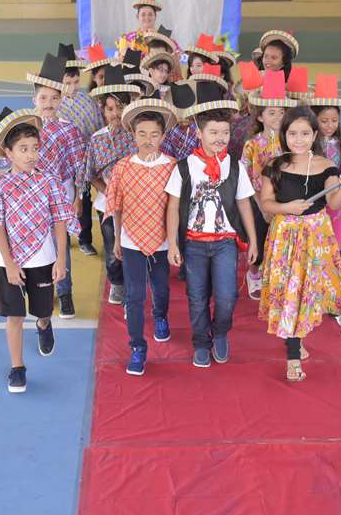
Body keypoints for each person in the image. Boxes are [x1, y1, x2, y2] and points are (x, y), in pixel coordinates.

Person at [0, 109, 77, 394]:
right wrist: (9, 263)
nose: (31, 155)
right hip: (10, 261)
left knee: (43, 310)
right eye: (23, 149)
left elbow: (60, 221)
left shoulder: (48, 182)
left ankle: (44, 325)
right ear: (8, 153)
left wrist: (61, 258)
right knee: (14, 316)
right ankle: (18, 367)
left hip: (43, 259)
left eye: (35, 148)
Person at [257, 107, 341, 382]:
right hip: (284, 238)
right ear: (284, 135)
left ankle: (294, 337)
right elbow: (266, 203)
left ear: (314, 135)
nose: (298, 139)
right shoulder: (275, 166)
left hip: (314, 238)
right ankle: (293, 355)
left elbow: (334, 204)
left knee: (304, 292)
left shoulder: (326, 166)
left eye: (304, 134)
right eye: (292, 134)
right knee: (289, 293)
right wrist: (287, 207)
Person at [165, 83, 258, 368]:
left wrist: (253, 240)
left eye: (225, 133)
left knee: (227, 296)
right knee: (196, 297)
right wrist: (173, 243)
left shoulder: (235, 166)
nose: (220, 138)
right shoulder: (184, 167)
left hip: (225, 243)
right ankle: (200, 342)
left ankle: (219, 332)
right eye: (214, 132)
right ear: (199, 133)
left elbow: (244, 203)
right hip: (193, 243)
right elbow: (173, 206)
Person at [107, 98, 180, 376]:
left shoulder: (172, 166)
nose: (148, 140)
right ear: (133, 135)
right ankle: (137, 346)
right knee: (135, 295)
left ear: (163, 136)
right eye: (142, 134)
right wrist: (117, 238)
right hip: (131, 239)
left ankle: (160, 316)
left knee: (161, 288)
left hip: (162, 240)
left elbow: (175, 208)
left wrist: (173, 243)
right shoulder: (123, 167)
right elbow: (117, 205)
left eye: (154, 134)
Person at [25, 53, 88, 318]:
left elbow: (78, 165)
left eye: (54, 98)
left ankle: (64, 292)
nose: (48, 103)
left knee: (60, 242)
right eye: (43, 98)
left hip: (61, 193)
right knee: (35, 242)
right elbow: (11, 163)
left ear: (61, 100)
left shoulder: (68, 129)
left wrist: (78, 197)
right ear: (34, 100)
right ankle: (41, 289)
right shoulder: (25, 128)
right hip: (30, 195)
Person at [87, 65, 143, 305]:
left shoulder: (137, 136)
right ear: (103, 110)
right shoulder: (97, 139)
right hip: (107, 205)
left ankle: (134, 284)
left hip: (137, 202)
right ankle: (117, 282)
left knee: (135, 247)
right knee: (112, 249)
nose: (115, 113)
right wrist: (108, 191)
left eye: (120, 107)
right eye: (110, 109)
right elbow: (91, 174)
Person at [241, 69, 298, 299]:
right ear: (260, 117)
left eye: (282, 112)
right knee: (259, 237)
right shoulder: (252, 145)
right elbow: (246, 176)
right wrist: (261, 204)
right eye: (271, 113)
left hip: (283, 199)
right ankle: (253, 272)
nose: (278, 117)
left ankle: (276, 276)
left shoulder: (290, 143)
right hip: (258, 201)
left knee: (281, 241)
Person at [57, 44, 103, 257]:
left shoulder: (86, 100)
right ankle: (64, 236)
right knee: (64, 199)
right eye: (67, 83)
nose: (72, 87)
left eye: (76, 82)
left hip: (85, 159)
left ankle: (85, 239)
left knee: (84, 199)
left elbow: (96, 126)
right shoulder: (56, 105)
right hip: (64, 163)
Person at [305, 74, 341, 259]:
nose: (330, 125)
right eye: (324, 121)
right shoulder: (307, 145)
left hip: (336, 204)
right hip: (315, 203)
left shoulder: (340, 144)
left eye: (334, 120)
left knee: (334, 243)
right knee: (315, 246)